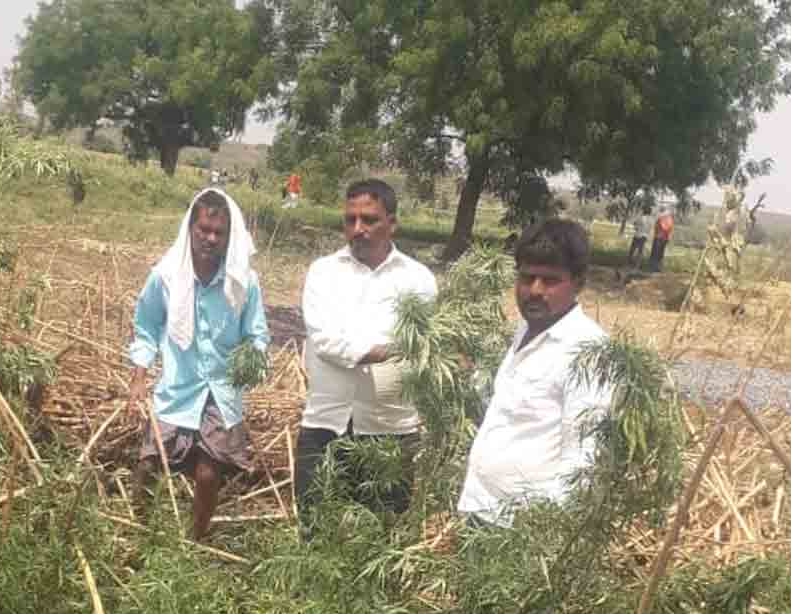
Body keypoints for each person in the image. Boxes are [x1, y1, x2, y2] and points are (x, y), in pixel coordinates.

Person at [294, 179, 438, 536]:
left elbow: (421, 346)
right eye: (350, 219)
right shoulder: (324, 272)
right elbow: (325, 339)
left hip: (392, 429)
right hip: (326, 424)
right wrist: (383, 351)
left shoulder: (418, 280)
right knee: (316, 532)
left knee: (383, 535)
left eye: (369, 220)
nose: (357, 229)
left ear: (392, 223)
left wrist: (382, 350)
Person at [126, 188, 270, 540]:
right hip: (178, 388)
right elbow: (146, 327)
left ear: (229, 237)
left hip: (221, 393)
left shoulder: (243, 283)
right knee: (149, 464)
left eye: (219, 233)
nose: (210, 238)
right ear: (190, 229)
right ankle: (139, 533)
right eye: (203, 229)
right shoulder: (165, 277)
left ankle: (195, 541)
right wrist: (139, 376)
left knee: (207, 476)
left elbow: (257, 335)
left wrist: (250, 360)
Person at [458, 219, 612, 526]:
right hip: (479, 505)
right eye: (527, 278)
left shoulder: (588, 352)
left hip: (521, 530)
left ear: (579, 282)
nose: (535, 291)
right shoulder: (527, 330)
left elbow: (584, 458)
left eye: (550, 280)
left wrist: (537, 525)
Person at [649, 205, 675, 272]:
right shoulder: (668, 218)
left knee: (656, 253)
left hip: (659, 237)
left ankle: (654, 268)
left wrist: (659, 229)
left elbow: (664, 227)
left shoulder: (663, 217)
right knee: (660, 253)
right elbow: (669, 228)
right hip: (663, 238)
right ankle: (657, 267)